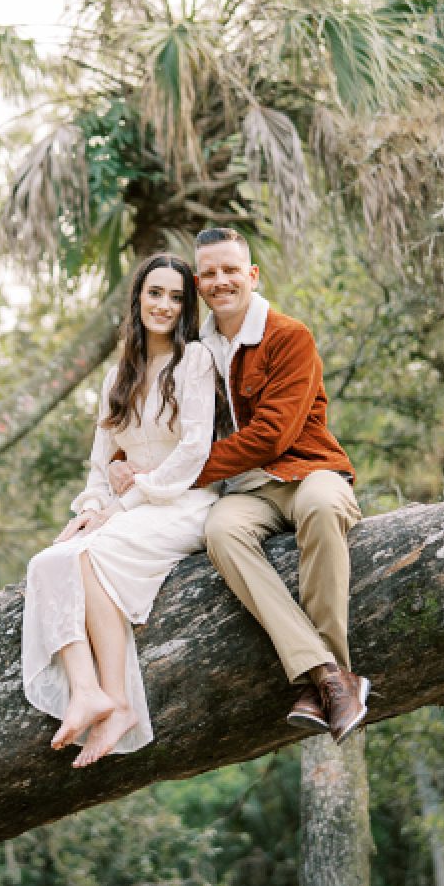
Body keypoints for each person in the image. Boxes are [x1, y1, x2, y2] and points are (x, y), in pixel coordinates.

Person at [113, 227, 366, 742]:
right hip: (247, 492)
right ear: (200, 285)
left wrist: (180, 475)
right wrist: (122, 458)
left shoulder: (287, 335)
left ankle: (337, 676)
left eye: (231, 270)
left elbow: (273, 435)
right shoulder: (193, 350)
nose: (220, 280)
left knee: (320, 507)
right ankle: (326, 675)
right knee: (222, 534)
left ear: (251, 275)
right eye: (209, 273)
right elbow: (157, 420)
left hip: (309, 470)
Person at [21, 253, 219, 767]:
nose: (164, 305)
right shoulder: (118, 376)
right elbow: (99, 464)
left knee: (91, 559)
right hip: (128, 508)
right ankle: (90, 691)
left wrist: (123, 503)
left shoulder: (194, 361)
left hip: (185, 502)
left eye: (177, 297)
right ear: (138, 298)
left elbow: (193, 453)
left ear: (186, 308)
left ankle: (117, 703)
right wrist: (91, 508)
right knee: (48, 560)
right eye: (155, 293)